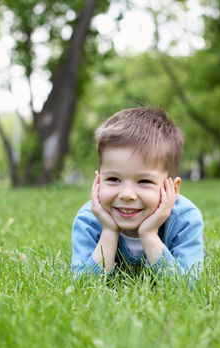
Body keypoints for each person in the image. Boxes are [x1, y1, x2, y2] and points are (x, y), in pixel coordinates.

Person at [71, 106, 203, 280]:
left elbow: (189, 287)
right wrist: (109, 231)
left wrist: (149, 234)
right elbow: (82, 286)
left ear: (173, 188)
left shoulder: (185, 219)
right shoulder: (89, 219)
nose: (127, 194)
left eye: (144, 181)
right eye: (113, 179)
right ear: (98, 181)